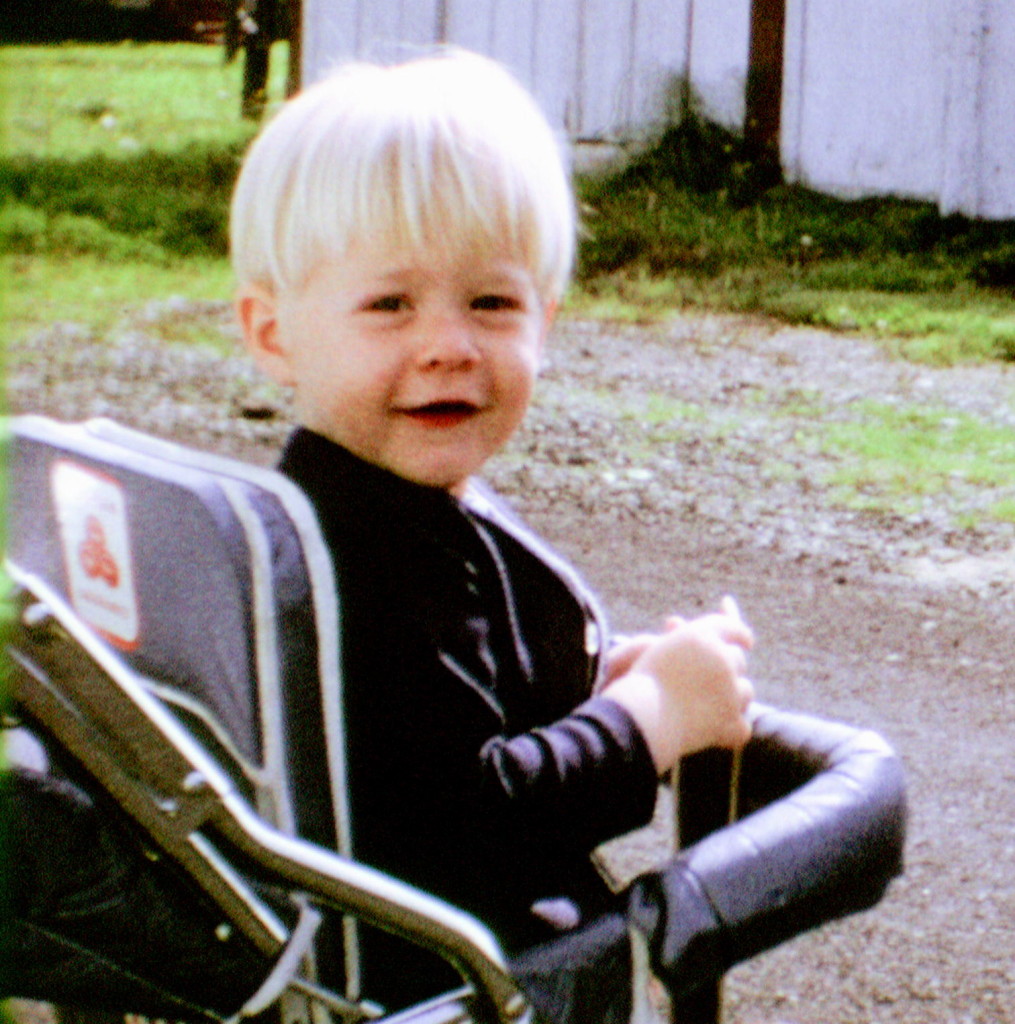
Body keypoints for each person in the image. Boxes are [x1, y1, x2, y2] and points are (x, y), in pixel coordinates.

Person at [5, 49, 905, 1023]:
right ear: (273, 334)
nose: (447, 341)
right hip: (440, 987)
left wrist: (584, 696)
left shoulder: (325, 532)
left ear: (543, 324)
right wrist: (651, 716)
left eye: (491, 302)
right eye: (390, 304)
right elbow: (475, 824)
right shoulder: (358, 569)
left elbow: (412, 742)